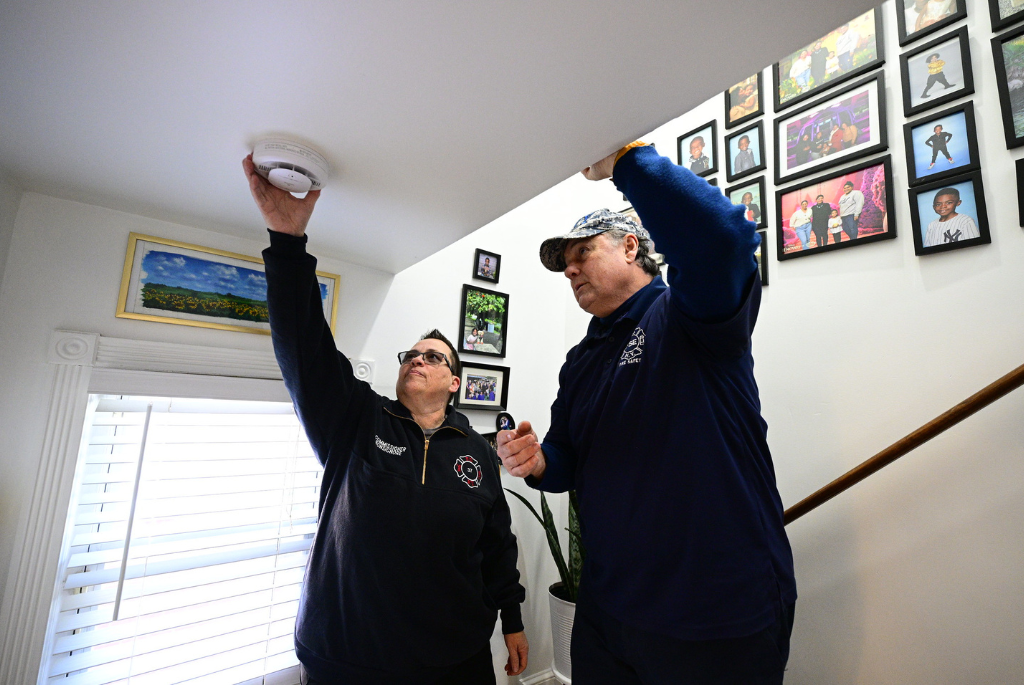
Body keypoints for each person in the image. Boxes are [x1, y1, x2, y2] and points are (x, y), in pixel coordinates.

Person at [498, 142, 796, 684]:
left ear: (630, 247)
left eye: (582, 252)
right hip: (608, 610)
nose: (570, 270)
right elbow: (566, 458)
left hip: (713, 614)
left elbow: (723, 240)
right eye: (564, 264)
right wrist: (537, 462)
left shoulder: (687, 316)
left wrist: (625, 161)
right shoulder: (581, 359)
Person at [242, 155, 528, 684]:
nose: (417, 360)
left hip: (456, 660)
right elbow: (303, 348)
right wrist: (287, 242)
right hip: (350, 658)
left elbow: (497, 542)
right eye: (411, 355)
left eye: (433, 357)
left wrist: (512, 619)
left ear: (455, 383)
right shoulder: (355, 418)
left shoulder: (477, 450)